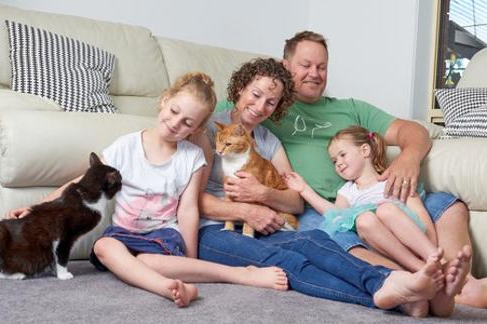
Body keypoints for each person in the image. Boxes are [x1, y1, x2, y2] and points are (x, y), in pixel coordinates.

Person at [194, 57, 465, 317]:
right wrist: (245, 211)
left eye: (271, 102)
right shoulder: (209, 128)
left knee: (316, 240)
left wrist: (265, 194)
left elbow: (294, 201)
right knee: (287, 262)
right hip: (215, 229)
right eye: (255, 94)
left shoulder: (269, 140)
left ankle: (402, 286)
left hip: (264, 224)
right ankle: (392, 296)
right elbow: (190, 200)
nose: (260, 106)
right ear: (240, 88)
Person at [5, 72, 290, 308]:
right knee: (104, 247)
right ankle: (172, 287)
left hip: (164, 235)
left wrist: (189, 260)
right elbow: (81, 184)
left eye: (187, 123)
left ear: (196, 129)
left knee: (149, 260)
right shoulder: (126, 146)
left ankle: (242, 275)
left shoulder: (190, 157)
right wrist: (35, 207)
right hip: (123, 234)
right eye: (174, 111)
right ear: (164, 101)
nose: (175, 123)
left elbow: (189, 209)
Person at [260, 30, 486, 309]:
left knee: (448, 204)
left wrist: (409, 158)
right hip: (325, 209)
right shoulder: (268, 108)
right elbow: (228, 117)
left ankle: (462, 284)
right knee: (330, 238)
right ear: (285, 67)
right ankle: (415, 282)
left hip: (380, 194)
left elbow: (412, 130)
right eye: (305, 66)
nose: (314, 74)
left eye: (322, 67)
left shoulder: (350, 108)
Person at [283, 126, 440, 273]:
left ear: (365, 150)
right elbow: (335, 213)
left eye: (342, 155)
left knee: (386, 209)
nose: (338, 163)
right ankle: (418, 268)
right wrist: (304, 190)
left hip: (411, 236)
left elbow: (419, 211)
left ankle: (435, 258)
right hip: (384, 246)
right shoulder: (347, 191)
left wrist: (432, 245)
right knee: (364, 220)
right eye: (334, 161)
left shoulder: (392, 180)